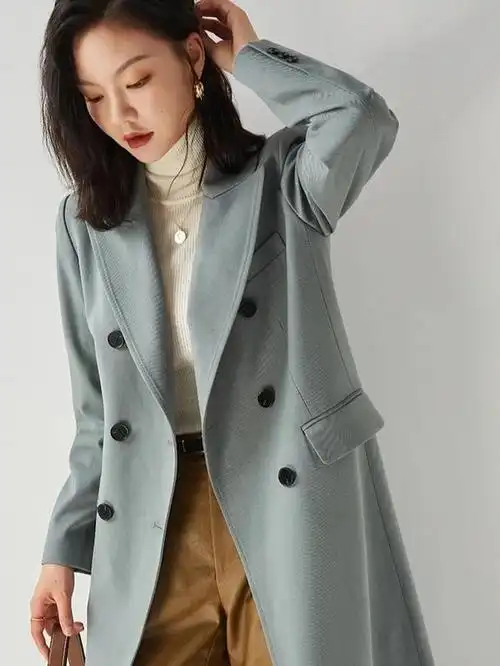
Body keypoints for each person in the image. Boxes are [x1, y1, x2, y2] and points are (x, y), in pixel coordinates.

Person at [30, 0, 435, 665]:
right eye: (94, 97)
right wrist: (62, 552)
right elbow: (98, 418)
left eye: (136, 81)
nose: (120, 115)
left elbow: (362, 119)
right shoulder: (85, 226)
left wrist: (248, 57)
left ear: (192, 56)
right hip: (156, 516)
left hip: (287, 501)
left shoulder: (281, 182)